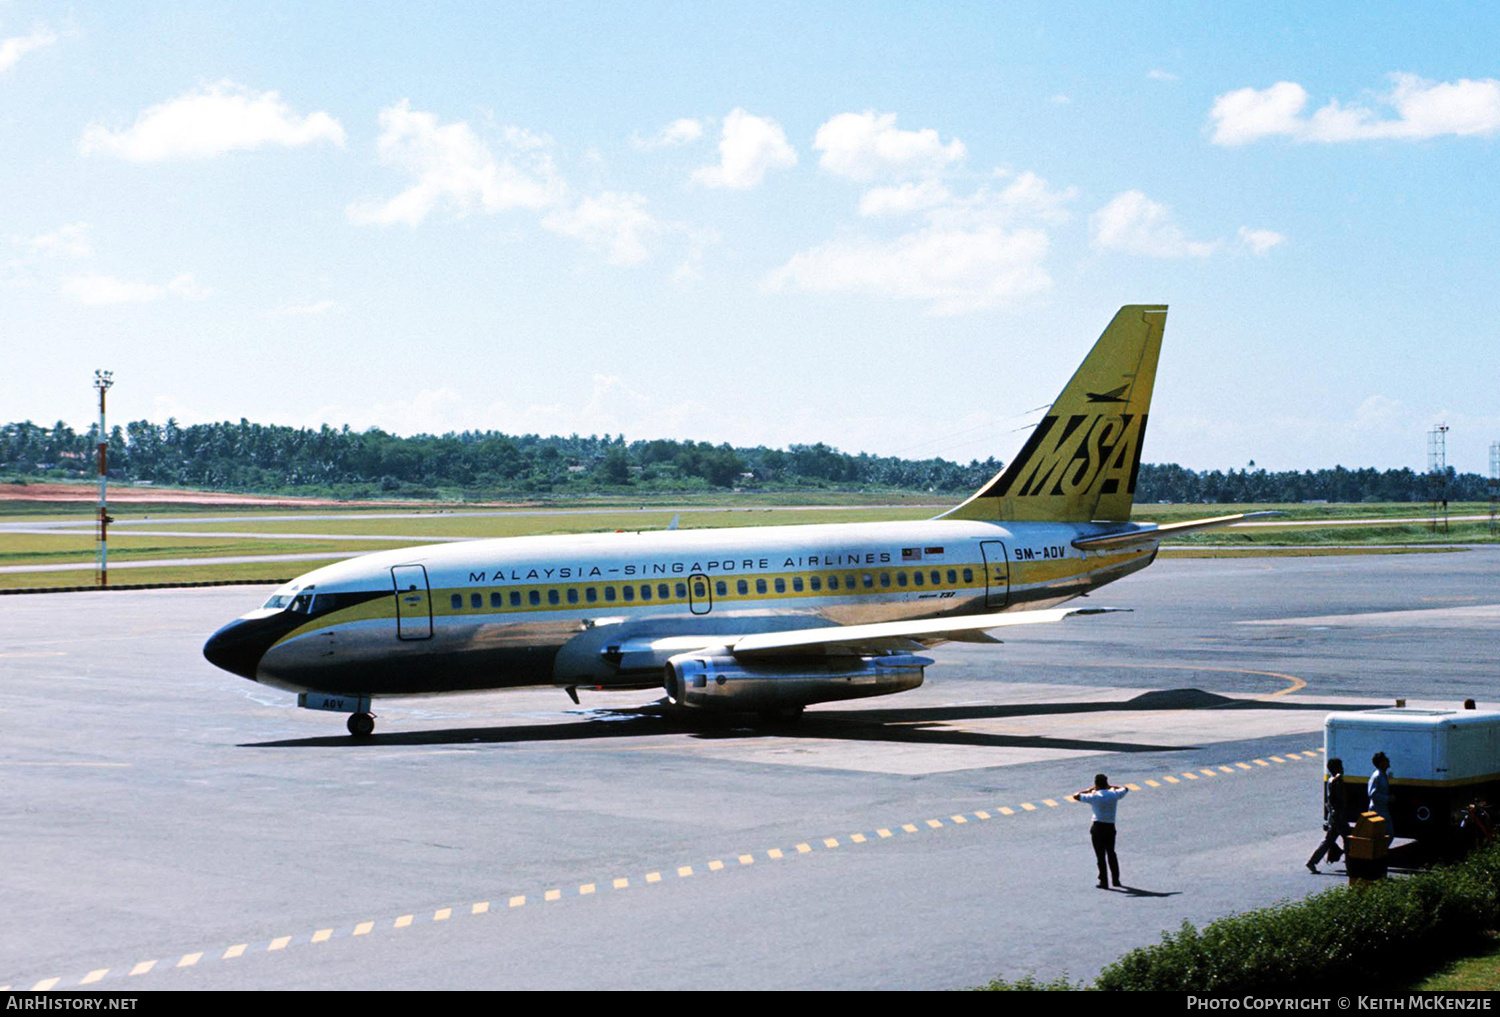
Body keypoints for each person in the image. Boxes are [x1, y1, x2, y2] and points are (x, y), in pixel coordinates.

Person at [1072, 773, 1128, 889]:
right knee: (1111, 853)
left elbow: (1076, 796)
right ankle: (1116, 880)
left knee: (1100, 855)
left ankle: (1104, 881)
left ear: (1096, 784)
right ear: (1106, 783)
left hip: (1098, 827)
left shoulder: (1094, 796)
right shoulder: (1114, 794)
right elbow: (1125, 788)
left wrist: (1090, 789)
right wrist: (1110, 787)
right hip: (1110, 826)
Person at [1307, 757, 1349, 872]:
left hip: (1337, 816)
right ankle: (1350, 866)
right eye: (1340, 767)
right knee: (1348, 839)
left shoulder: (1335, 780)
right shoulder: (1334, 781)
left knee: (1329, 840)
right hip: (1338, 816)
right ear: (1336, 769)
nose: (1343, 769)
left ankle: (1312, 862)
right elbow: (1333, 800)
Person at [1368, 751, 1394, 841]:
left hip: (1383, 809)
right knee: (1386, 833)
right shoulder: (1377, 776)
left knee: (1387, 834)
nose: (1388, 761)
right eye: (1386, 760)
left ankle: (1381, 852)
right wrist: (1387, 799)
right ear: (1381, 763)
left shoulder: (1383, 775)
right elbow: (1372, 794)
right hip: (1377, 810)